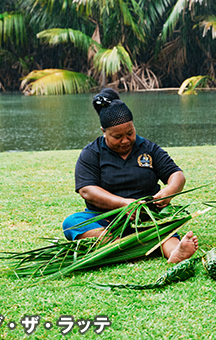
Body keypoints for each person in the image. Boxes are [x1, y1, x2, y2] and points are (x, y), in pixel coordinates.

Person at [62, 88, 198, 263]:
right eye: (117, 136)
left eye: (129, 133)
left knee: (163, 226)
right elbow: (87, 190)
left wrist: (170, 190)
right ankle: (122, 244)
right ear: (104, 131)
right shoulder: (92, 153)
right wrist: (123, 203)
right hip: (106, 219)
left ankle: (174, 253)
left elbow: (176, 174)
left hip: (146, 218)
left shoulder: (148, 148)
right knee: (72, 223)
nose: (125, 140)